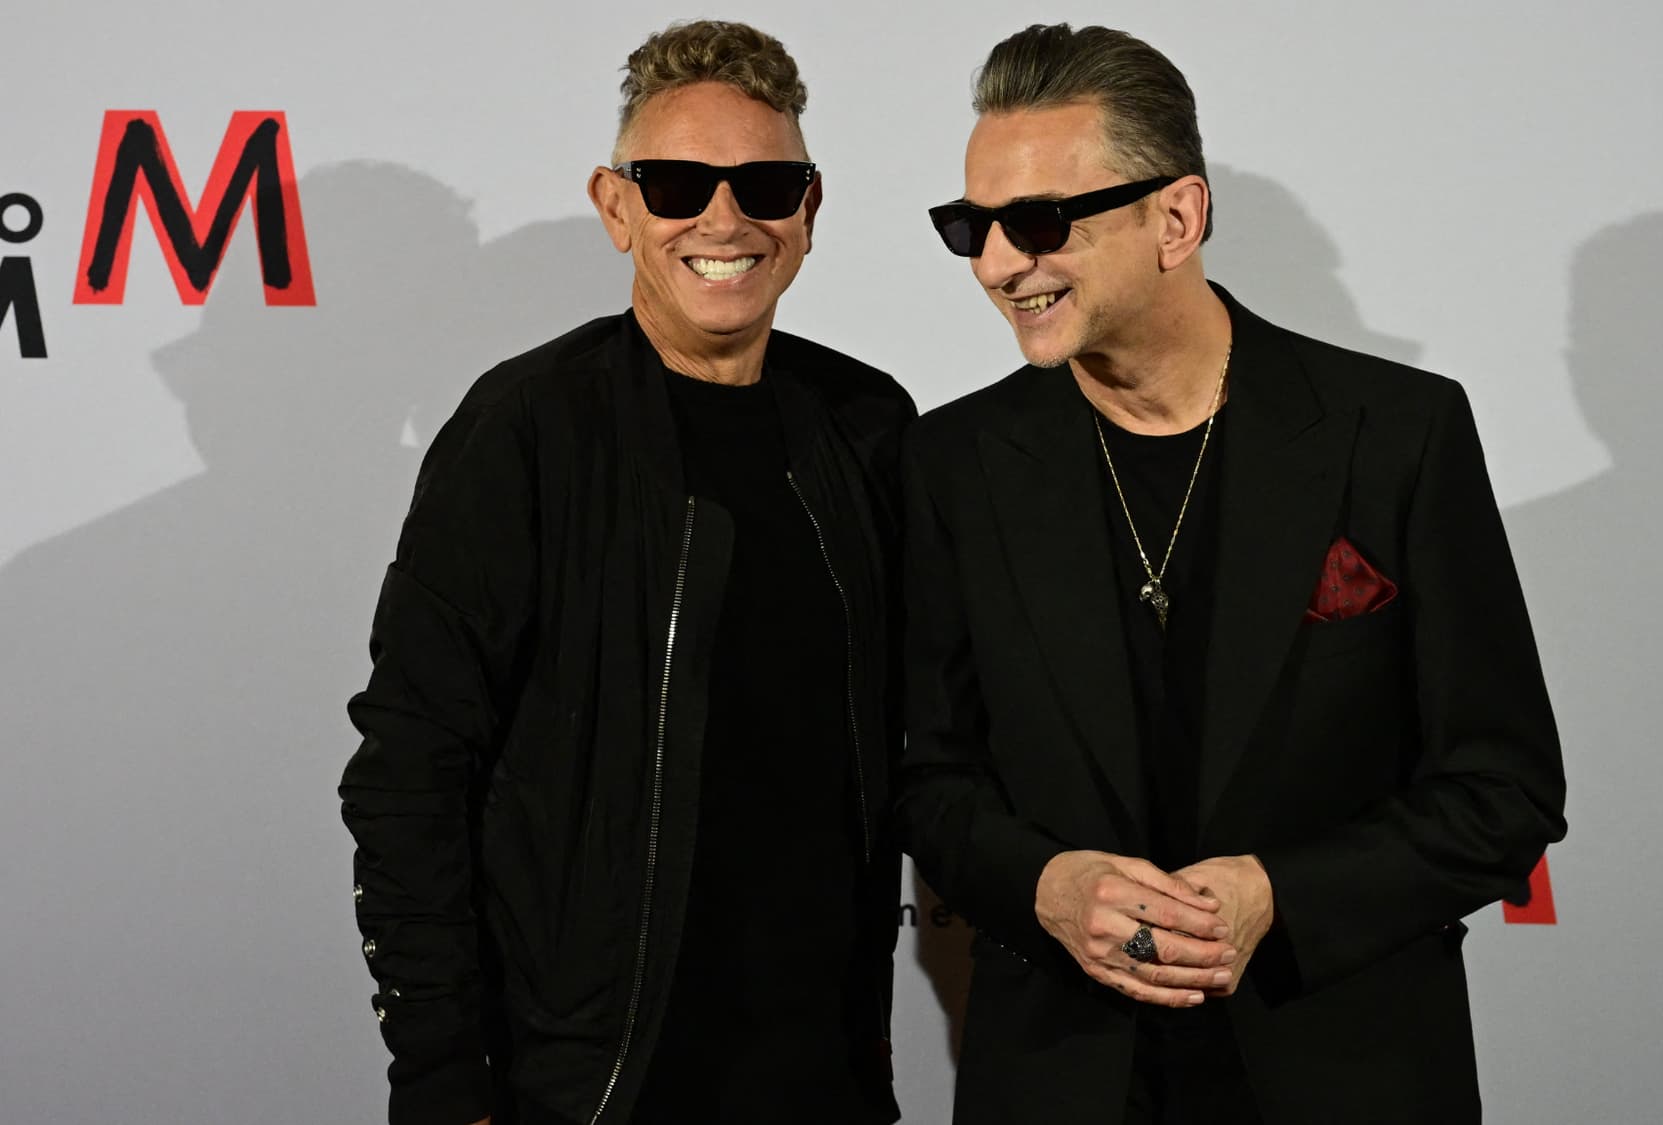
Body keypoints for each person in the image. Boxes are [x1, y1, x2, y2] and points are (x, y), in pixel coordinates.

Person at [897, 23, 1565, 1125]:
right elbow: (929, 775)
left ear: (1176, 217)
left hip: (1343, 1067)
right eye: (972, 226)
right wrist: (1048, 887)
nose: (999, 264)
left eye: (1041, 221)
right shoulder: (952, 464)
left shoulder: (1394, 434)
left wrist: (1276, 896)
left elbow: (1503, 791)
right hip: (1064, 1075)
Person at [339, 20, 911, 1125]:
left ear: (809, 208)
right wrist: (445, 1075)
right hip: (588, 1086)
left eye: (765, 185)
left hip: (822, 1075)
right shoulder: (526, 429)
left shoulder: (868, 424)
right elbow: (410, 767)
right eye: (678, 184)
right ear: (616, 208)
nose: (724, 220)